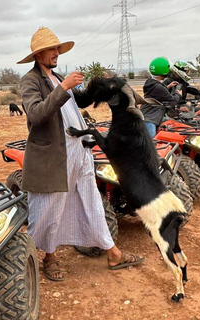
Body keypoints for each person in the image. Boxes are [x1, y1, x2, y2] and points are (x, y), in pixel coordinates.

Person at [18, 27, 144, 281]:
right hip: (54, 155)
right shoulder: (30, 81)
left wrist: (100, 87)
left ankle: (112, 252)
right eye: (52, 50)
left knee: (91, 201)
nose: (56, 53)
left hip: (78, 149)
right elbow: (36, 115)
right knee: (50, 208)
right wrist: (64, 87)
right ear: (38, 54)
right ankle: (48, 257)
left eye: (57, 49)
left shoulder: (56, 77)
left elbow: (78, 101)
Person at [142, 57, 181, 138]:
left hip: (150, 116)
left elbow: (158, 94)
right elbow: (173, 101)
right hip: (150, 119)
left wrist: (168, 87)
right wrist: (178, 94)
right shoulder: (157, 87)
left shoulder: (151, 82)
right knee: (151, 143)